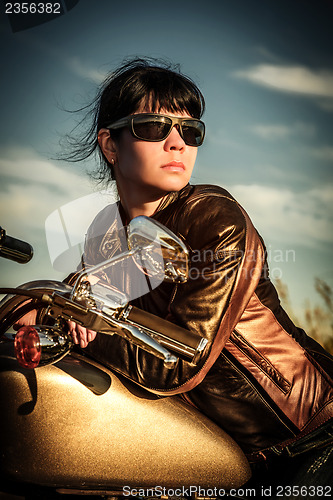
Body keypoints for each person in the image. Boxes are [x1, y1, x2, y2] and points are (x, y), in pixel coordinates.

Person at [23, 58, 333, 497]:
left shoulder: (214, 219)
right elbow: (72, 294)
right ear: (110, 145)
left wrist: (85, 330)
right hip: (214, 455)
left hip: (309, 441)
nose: (177, 143)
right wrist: (33, 312)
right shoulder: (106, 235)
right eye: (153, 127)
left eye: (191, 132)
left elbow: (180, 362)